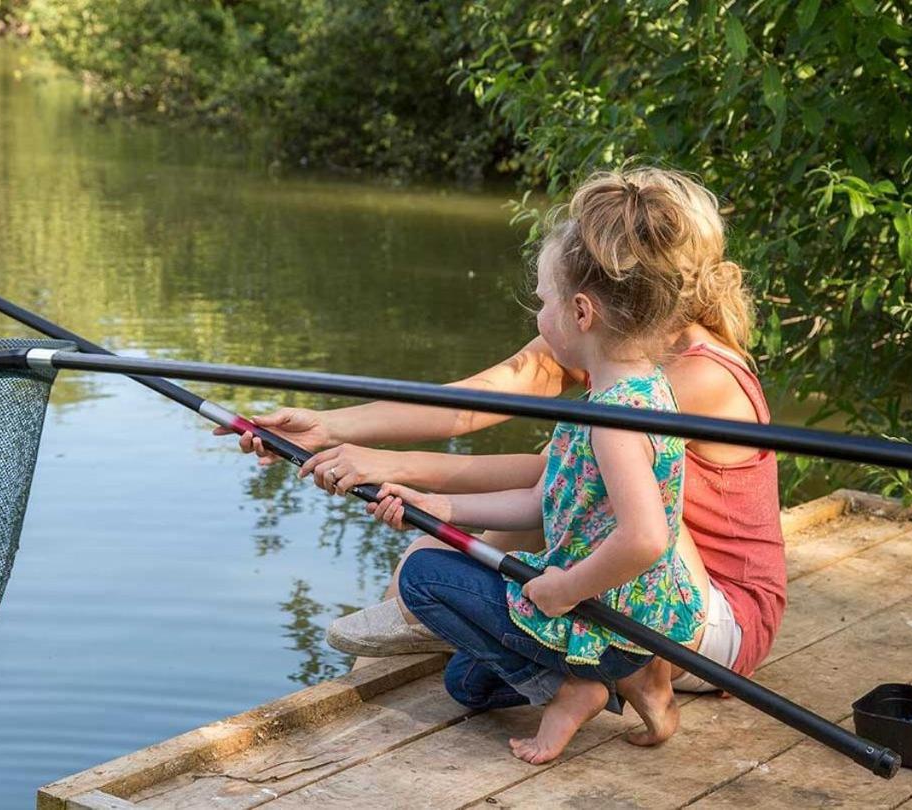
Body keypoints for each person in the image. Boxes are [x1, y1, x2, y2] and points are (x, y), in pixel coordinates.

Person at [216, 167, 784, 750]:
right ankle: (535, 662)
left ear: (590, 299)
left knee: (456, 553)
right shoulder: (622, 335)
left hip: (707, 622)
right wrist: (332, 429)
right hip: (641, 587)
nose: (541, 315)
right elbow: (496, 391)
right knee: (443, 566)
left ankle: (592, 675)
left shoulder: (691, 377)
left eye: (547, 300)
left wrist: (387, 465)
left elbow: (560, 482)